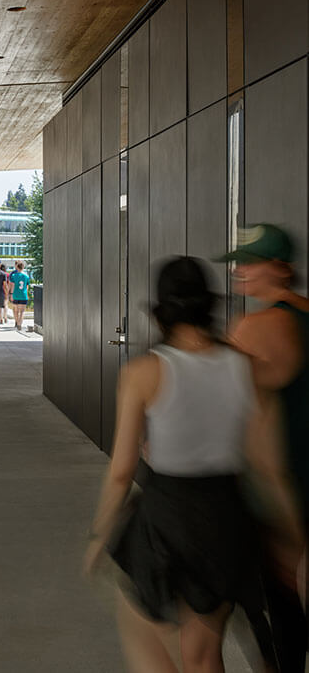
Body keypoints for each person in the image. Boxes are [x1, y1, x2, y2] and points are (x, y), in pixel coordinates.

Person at [85, 256, 302, 673]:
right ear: (209, 306)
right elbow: (271, 469)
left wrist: (99, 535)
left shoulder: (143, 372)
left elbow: (121, 469)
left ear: (162, 310)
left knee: (140, 631)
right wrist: (291, 538)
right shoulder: (251, 370)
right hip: (227, 516)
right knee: (203, 655)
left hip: (166, 515)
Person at [218, 224, 309, 672]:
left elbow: (238, 422)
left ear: (281, 268)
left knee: (279, 630)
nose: (240, 271)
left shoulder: (255, 328)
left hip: (277, 496)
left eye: (250, 262)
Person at [9, 261, 30, 331]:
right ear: (23, 267)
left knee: (15, 310)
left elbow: (12, 286)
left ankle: (17, 322)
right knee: (22, 311)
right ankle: (20, 324)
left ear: (17, 267)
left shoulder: (13, 276)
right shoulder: (26, 276)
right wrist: (27, 294)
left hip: (15, 295)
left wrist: (11, 294)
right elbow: (27, 287)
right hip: (23, 295)